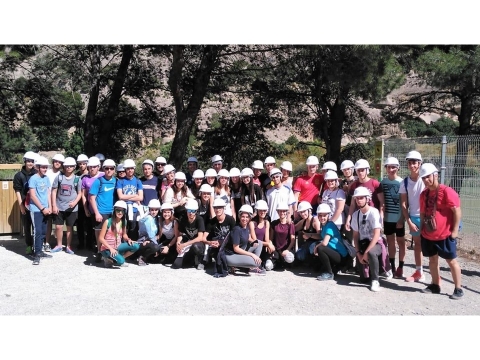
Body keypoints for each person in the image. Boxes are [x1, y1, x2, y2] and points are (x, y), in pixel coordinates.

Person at [418, 163, 464, 300]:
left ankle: (458, 288)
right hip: (428, 234)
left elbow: (457, 211)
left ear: (435, 175)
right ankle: (435, 285)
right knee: (432, 260)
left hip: (445, 234)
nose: (426, 180)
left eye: (428, 177)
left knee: (451, 261)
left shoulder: (447, 191)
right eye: (423, 178)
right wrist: (421, 230)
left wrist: (454, 231)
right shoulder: (423, 194)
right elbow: (422, 213)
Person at [350, 187, 384, 292]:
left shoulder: (374, 212)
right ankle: (368, 273)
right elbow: (355, 235)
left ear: (367, 199)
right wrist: (358, 253)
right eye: (357, 198)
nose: (359, 200)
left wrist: (366, 253)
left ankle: (375, 280)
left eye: (361, 198)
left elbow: (377, 234)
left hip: (375, 243)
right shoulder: (355, 215)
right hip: (363, 243)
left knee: (372, 253)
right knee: (363, 279)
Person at [399, 150, 426, 282]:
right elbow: (403, 204)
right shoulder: (404, 183)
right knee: (418, 246)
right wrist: (409, 221)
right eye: (410, 163)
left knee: (433, 247)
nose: (412, 165)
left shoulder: (426, 180)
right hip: (414, 218)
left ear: (420, 163)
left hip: (428, 219)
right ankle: (419, 272)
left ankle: (436, 276)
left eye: (414, 162)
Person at [381, 157, 406, 279]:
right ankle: (392, 267)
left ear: (398, 168)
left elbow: (405, 203)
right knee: (390, 242)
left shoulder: (402, 183)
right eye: (388, 167)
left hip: (399, 218)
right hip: (387, 219)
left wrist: (402, 219)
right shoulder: (383, 182)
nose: (391, 169)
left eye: (393, 167)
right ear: (385, 168)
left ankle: (401, 267)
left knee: (401, 242)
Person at [51, 157, 82, 254]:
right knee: (59, 227)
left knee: (69, 227)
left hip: (72, 208)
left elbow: (80, 193)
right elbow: (54, 191)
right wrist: (54, 205)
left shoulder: (77, 179)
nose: (68, 168)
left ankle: (68, 246)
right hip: (59, 207)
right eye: (66, 166)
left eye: (71, 166)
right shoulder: (59, 177)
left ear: (74, 167)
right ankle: (59, 245)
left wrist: (74, 202)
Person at [311, 203, 349, 281]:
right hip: (335, 254)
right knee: (317, 268)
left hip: (342, 256)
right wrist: (309, 235)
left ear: (328, 215)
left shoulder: (330, 226)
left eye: (324, 215)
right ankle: (334, 269)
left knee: (321, 248)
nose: (322, 218)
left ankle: (329, 273)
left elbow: (324, 243)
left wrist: (316, 247)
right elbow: (321, 236)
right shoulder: (325, 225)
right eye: (320, 215)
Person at [224, 204, 266, 275]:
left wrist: (254, 242)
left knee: (259, 243)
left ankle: (247, 267)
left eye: (247, 217)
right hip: (231, 255)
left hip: (240, 252)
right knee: (254, 261)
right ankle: (250, 267)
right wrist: (252, 255)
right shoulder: (237, 229)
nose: (245, 219)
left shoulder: (246, 227)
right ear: (239, 216)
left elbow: (248, 237)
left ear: (250, 218)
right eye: (243, 216)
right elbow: (236, 249)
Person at [89, 159, 118, 259]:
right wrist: (96, 213)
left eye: (111, 168)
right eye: (107, 168)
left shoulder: (116, 181)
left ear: (114, 169)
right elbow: (92, 198)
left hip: (113, 212)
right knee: (99, 232)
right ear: (103, 169)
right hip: (101, 211)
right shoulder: (98, 181)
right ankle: (99, 251)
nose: (109, 170)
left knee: (112, 232)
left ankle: (111, 251)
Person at [98, 200, 140, 268]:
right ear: (114, 210)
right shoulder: (108, 221)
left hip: (117, 246)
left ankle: (119, 258)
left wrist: (128, 239)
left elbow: (124, 235)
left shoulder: (124, 221)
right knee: (121, 261)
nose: (120, 212)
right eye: (118, 210)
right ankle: (108, 259)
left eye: (122, 211)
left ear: (124, 212)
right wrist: (110, 248)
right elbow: (100, 238)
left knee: (136, 246)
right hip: (106, 248)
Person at [345, 159, 384, 231]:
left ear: (367, 170)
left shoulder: (375, 184)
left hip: (373, 217)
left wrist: (381, 216)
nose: (360, 172)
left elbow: (382, 202)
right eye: (358, 170)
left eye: (362, 170)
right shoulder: (354, 185)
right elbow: (352, 205)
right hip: (359, 217)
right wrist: (348, 219)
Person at [28, 156, 53, 265]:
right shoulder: (33, 179)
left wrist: (50, 207)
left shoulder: (46, 178)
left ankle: (40, 251)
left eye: (46, 167)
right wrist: (42, 208)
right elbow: (33, 196)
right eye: (43, 167)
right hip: (36, 209)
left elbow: (48, 193)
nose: (45, 169)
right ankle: (36, 254)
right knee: (37, 232)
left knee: (43, 231)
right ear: (37, 167)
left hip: (46, 209)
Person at [13, 151, 37, 255]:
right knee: (27, 227)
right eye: (28, 161)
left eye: (32, 161)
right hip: (25, 205)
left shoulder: (37, 174)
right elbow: (17, 191)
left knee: (37, 227)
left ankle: (37, 246)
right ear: (25, 161)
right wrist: (21, 206)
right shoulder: (18, 175)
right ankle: (29, 246)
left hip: (36, 205)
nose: (30, 163)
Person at [203, 198, 237, 269]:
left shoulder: (230, 220)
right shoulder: (211, 222)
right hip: (216, 246)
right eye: (215, 208)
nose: (217, 210)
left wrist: (222, 242)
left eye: (220, 207)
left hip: (228, 245)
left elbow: (235, 236)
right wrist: (210, 242)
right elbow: (203, 238)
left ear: (224, 208)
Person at [172, 199, 206, 269]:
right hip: (188, 242)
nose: (191, 213)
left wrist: (184, 244)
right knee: (176, 265)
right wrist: (178, 243)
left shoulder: (199, 219)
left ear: (196, 211)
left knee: (195, 246)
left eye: (193, 211)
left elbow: (200, 237)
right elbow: (180, 234)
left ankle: (200, 260)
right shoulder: (183, 219)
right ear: (186, 210)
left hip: (198, 243)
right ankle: (191, 259)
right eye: (189, 210)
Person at [116, 159, 143, 241]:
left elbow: (140, 197)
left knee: (133, 227)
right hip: (123, 207)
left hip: (134, 208)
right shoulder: (120, 181)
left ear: (134, 169)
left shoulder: (138, 181)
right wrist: (134, 195)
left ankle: (133, 248)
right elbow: (120, 196)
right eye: (128, 169)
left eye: (131, 168)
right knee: (123, 227)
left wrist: (126, 196)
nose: (130, 170)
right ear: (125, 170)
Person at [82, 156, 104, 253]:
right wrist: (86, 208)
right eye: (90, 167)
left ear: (98, 167)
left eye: (94, 167)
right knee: (95, 229)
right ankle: (96, 248)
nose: (92, 169)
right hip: (92, 208)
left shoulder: (103, 175)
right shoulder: (85, 179)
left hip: (103, 207)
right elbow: (83, 195)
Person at [44, 153, 65, 251]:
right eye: (56, 161)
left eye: (59, 162)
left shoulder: (62, 174)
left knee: (58, 224)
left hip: (58, 201)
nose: (57, 163)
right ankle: (46, 242)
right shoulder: (47, 172)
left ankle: (58, 244)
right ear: (53, 162)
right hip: (47, 200)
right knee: (48, 223)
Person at [268, 202, 296, 271]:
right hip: (276, 249)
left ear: (286, 212)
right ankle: (277, 262)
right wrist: (270, 245)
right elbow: (271, 238)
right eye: (280, 211)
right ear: (277, 212)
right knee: (268, 266)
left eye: (284, 211)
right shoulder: (274, 223)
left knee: (289, 258)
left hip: (286, 249)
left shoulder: (290, 224)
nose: (282, 212)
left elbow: (293, 240)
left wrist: (288, 250)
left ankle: (285, 263)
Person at [249, 200, 274, 270]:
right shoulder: (252, 223)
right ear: (257, 211)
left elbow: (266, 238)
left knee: (267, 266)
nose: (263, 212)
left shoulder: (267, 223)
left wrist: (269, 243)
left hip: (263, 248)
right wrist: (268, 244)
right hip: (255, 248)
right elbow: (255, 240)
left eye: (264, 210)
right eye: (260, 210)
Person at [136, 199, 162, 266]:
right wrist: (156, 248)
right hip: (142, 242)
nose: (154, 212)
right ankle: (142, 257)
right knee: (156, 247)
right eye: (152, 210)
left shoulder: (156, 218)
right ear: (149, 209)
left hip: (149, 241)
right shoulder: (148, 218)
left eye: (156, 210)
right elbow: (151, 236)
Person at [75, 154, 89, 250]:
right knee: (79, 224)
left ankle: (89, 243)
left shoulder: (90, 175)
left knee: (89, 225)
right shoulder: (76, 175)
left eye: (83, 164)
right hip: (79, 204)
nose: (82, 165)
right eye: (80, 164)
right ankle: (81, 243)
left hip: (89, 203)